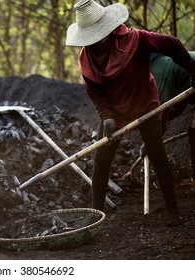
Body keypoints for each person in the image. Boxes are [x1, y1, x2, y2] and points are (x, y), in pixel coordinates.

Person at [65, 0, 195, 226]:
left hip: (145, 103)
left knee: (157, 154)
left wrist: (193, 71)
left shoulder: (136, 39)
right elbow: (95, 91)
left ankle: (173, 212)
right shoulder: (86, 60)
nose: (95, 42)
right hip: (114, 111)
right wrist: (106, 116)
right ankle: (96, 216)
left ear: (108, 29)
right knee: (102, 160)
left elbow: (173, 44)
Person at [151, 52, 195, 181]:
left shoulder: (158, 69)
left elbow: (161, 111)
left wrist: (151, 142)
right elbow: (178, 105)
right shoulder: (164, 62)